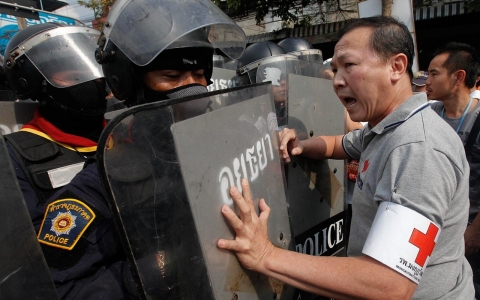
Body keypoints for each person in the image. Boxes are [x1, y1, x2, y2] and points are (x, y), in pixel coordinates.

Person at [218, 16, 474, 299]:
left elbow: (389, 285)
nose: (337, 81)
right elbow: (339, 144)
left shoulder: (418, 149)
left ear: (396, 67)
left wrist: (265, 254)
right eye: (335, 69)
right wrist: (301, 144)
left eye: (349, 66)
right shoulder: (386, 128)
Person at [2, 23, 134, 299]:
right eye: (74, 76)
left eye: (94, 73)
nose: (94, 83)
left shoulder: (126, 133)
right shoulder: (12, 159)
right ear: (31, 82)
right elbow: (35, 272)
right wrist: (134, 280)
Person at [425, 41, 480, 297]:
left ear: (458, 77)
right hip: (435, 228)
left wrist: (474, 231)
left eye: (434, 73)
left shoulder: (477, 119)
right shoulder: (427, 114)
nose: (427, 80)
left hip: (470, 228)